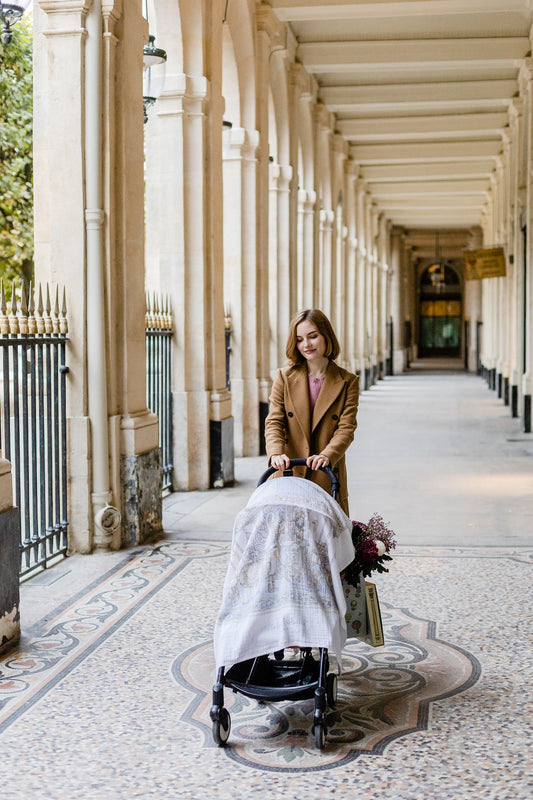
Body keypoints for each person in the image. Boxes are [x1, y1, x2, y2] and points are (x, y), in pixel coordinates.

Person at [265, 309, 359, 516]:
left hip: (325, 471)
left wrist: (327, 455)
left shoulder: (348, 381)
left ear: (326, 336)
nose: (306, 344)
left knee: (325, 532)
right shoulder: (284, 377)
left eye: (313, 336)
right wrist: (275, 452)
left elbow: (346, 429)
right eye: (299, 339)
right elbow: (274, 421)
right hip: (289, 469)